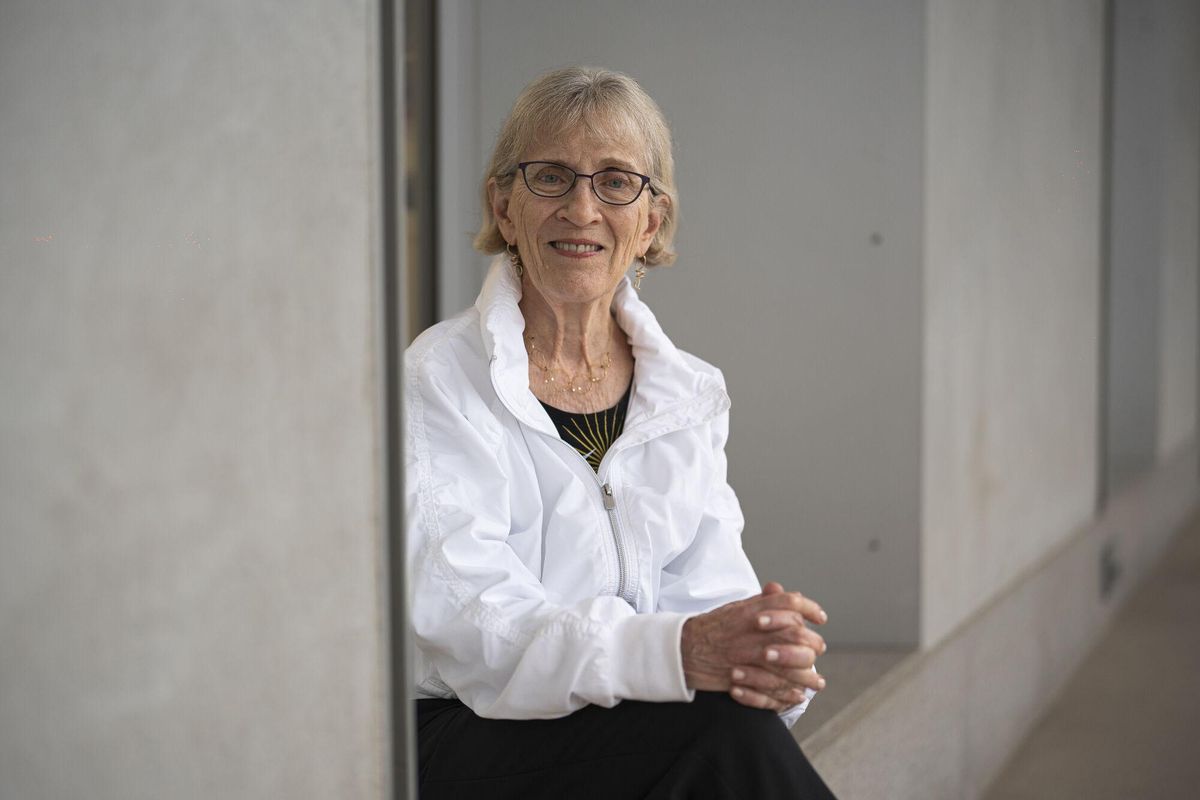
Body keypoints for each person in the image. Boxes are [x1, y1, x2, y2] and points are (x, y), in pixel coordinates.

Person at [406, 66, 836, 799]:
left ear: (652, 222)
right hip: (465, 728)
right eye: (550, 177)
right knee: (720, 739)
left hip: (629, 720)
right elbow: (472, 622)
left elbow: (708, 591)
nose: (581, 207)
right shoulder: (440, 376)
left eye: (615, 182)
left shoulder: (688, 394)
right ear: (503, 206)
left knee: (733, 728)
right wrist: (672, 651)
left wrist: (761, 654)